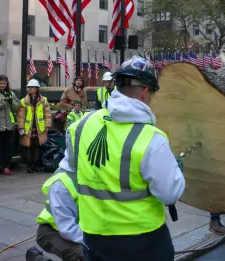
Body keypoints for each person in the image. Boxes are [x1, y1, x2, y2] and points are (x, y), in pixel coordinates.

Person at [59, 56, 185, 261]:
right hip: (143, 241)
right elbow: (169, 194)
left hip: (94, 237)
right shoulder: (152, 139)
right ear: (145, 91)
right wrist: (176, 171)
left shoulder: (81, 126)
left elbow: (70, 174)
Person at [26, 170, 83, 261]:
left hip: (77, 231)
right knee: (87, 254)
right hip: (51, 231)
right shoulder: (63, 182)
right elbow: (67, 229)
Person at [17, 80, 52, 173]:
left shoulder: (44, 100)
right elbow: (20, 116)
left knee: (37, 146)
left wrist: (47, 125)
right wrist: (21, 127)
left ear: (37, 89)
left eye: (32, 87)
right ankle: (29, 165)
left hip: (39, 127)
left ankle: (36, 164)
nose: (30, 89)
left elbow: (47, 114)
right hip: (28, 127)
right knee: (28, 146)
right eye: (29, 87)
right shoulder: (23, 101)